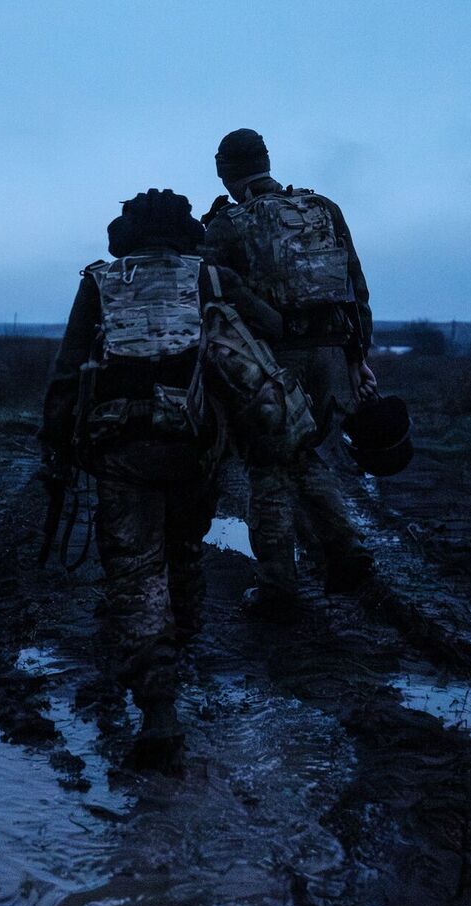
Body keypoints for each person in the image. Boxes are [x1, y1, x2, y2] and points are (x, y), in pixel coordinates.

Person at [39, 188, 267, 768]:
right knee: (184, 549)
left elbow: (67, 371)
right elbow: (270, 327)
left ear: (128, 233)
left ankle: (159, 706)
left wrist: (55, 446)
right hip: (195, 446)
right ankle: (178, 652)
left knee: (136, 569)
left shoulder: (99, 281)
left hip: (122, 447)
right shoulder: (211, 278)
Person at [201, 128, 378, 621]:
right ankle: (347, 554)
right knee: (304, 456)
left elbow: (207, 291)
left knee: (268, 470)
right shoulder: (323, 208)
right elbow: (356, 288)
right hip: (331, 359)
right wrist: (357, 358)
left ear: (224, 172)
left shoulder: (230, 222)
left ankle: (279, 587)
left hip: (273, 366)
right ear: (267, 161)